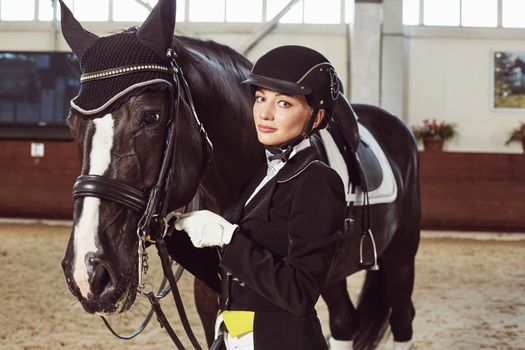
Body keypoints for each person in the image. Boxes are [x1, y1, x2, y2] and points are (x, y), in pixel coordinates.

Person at [175, 45, 345, 350]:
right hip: (235, 338)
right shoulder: (262, 175)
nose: (265, 113)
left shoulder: (318, 181)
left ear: (316, 118)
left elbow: (300, 293)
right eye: (260, 99)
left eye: (283, 103)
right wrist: (169, 237)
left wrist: (229, 238)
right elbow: (231, 276)